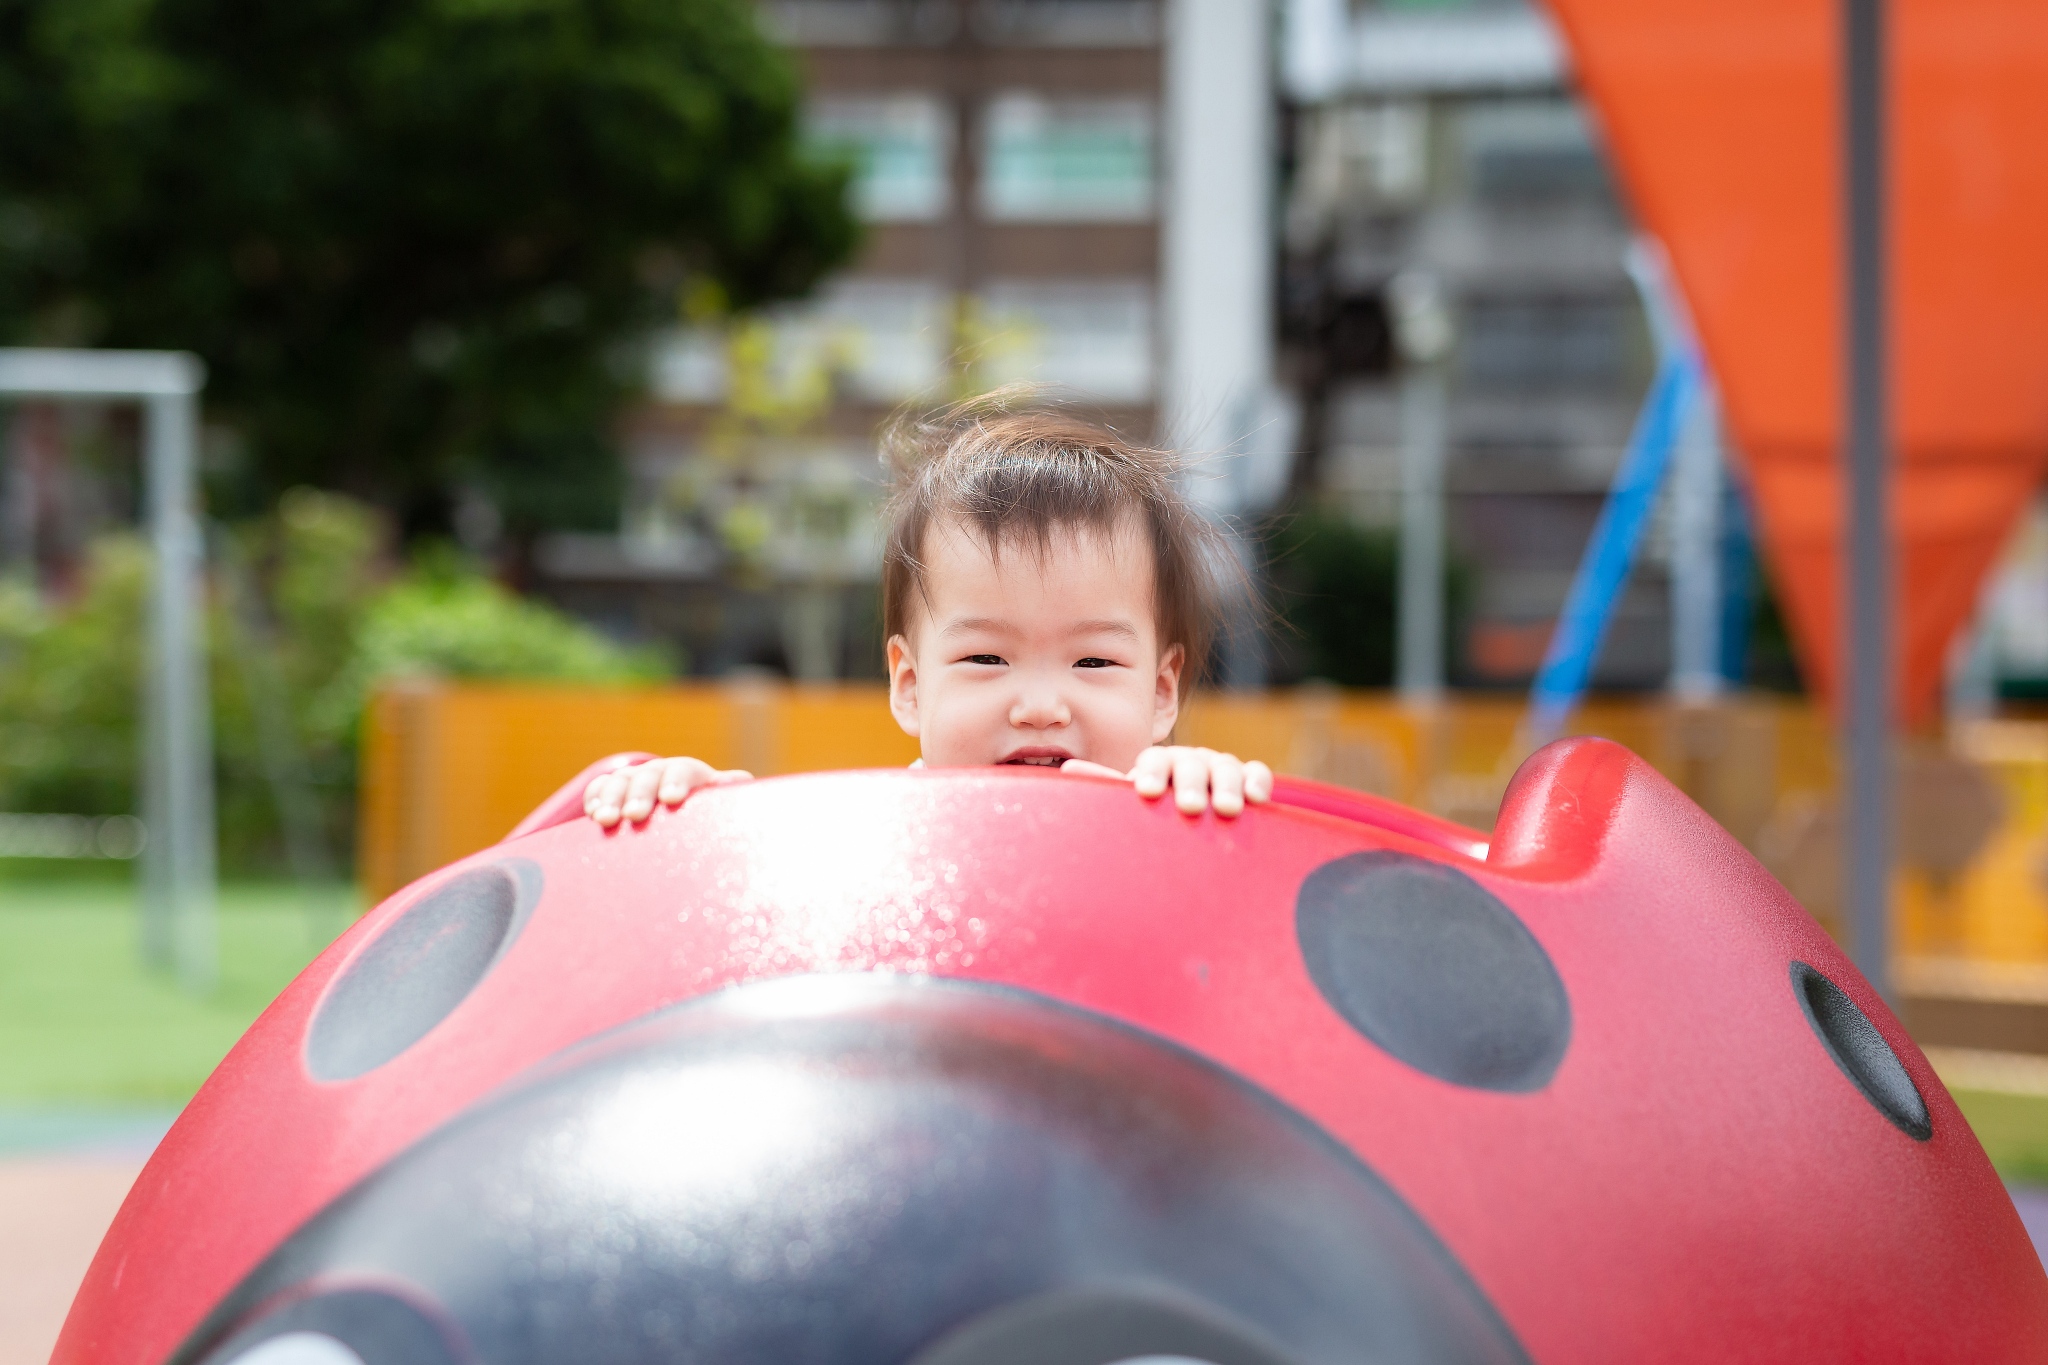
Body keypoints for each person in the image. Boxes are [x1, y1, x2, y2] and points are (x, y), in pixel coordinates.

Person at [584, 391, 1275, 827]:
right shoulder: (864, 833)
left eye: (1093, 659)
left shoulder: (1174, 820)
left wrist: (1215, 814)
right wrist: (695, 816)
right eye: (985, 657)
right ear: (910, 684)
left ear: (1161, 691)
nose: (1040, 705)